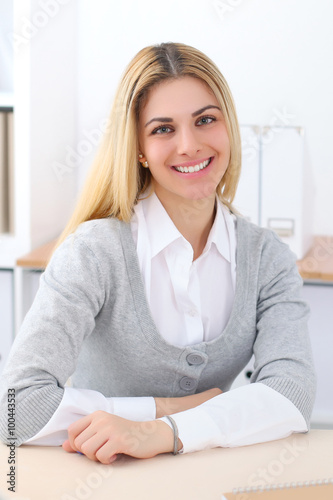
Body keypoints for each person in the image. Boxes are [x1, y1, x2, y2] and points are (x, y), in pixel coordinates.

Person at [0, 42, 315, 464]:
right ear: (139, 150)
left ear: (229, 127)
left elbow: (291, 393)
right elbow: (15, 409)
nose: (189, 145)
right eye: (163, 129)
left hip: (208, 478)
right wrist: (161, 411)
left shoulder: (267, 258)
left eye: (206, 120)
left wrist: (165, 432)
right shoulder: (93, 253)